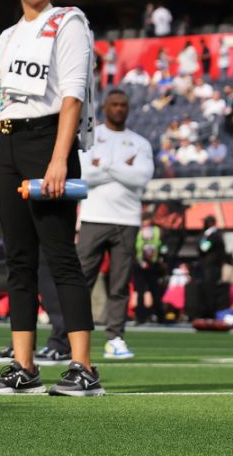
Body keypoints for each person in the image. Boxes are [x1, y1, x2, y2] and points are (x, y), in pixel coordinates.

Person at [0, 0, 103, 397]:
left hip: (49, 140)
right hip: (8, 143)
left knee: (60, 256)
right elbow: (0, 105)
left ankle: (84, 367)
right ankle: (23, 367)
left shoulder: (67, 22)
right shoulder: (7, 37)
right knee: (19, 261)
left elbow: (72, 96)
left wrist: (57, 159)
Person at [75, 89, 154, 359]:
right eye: (114, 104)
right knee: (81, 280)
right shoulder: (90, 136)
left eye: (123, 105)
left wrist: (105, 166)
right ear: (105, 107)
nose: (119, 109)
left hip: (127, 220)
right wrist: (121, 167)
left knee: (119, 284)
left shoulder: (140, 143)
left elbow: (141, 178)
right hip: (93, 217)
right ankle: (70, 337)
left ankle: (115, 338)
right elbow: (84, 174)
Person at [192, 216, 228, 319]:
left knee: (210, 291)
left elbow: (203, 248)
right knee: (206, 290)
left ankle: (210, 313)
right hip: (208, 268)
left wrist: (200, 243)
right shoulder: (211, 234)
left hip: (210, 268)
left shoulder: (213, 235)